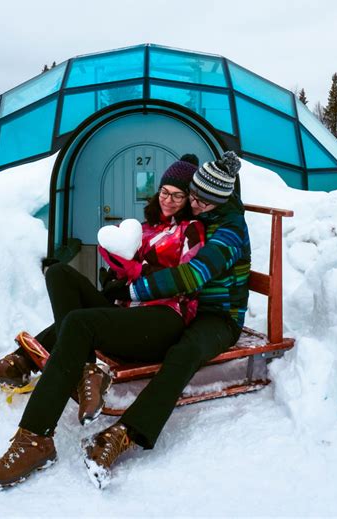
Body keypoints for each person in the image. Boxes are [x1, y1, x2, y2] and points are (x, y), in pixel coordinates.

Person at [0, 156, 205, 487]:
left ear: (189, 201)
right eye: (164, 192)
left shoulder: (192, 230)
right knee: (59, 274)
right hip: (130, 310)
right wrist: (115, 269)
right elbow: (124, 271)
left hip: (163, 319)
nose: (168, 200)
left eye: (177, 195)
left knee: (79, 325)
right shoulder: (145, 228)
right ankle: (86, 372)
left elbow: (188, 279)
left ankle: (35, 437)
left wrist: (137, 273)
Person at [81, 151, 250, 489]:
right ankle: (35, 354)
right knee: (103, 307)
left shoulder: (229, 230)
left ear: (219, 199)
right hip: (187, 306)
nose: (194, 203)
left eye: (200, 199)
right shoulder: (205, 217)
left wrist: (137, 290)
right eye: (194, 196)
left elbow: (193, 275)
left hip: (217, 316)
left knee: (185, 354)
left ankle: (126, 433)